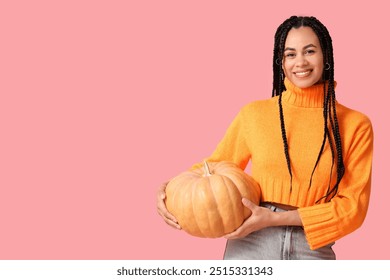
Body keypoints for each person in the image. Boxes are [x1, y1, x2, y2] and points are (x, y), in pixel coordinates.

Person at [156, 15, 373, 260]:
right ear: (280, 62)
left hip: (312, 245)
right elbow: (213, 168)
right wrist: (169, 191)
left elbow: (352, 207)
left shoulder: (355, 125)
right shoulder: (255, 114)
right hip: (251, 240)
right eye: (290, 54)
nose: (300, 62)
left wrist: (276, 218)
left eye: (309, 51)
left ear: (326, 57)